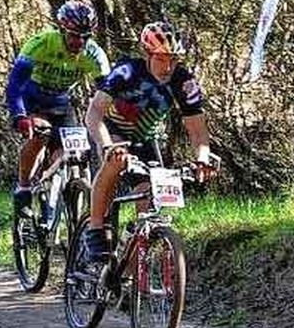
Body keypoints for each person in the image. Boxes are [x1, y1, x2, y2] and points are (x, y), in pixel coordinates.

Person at [77, 21, 217, 264]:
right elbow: (94, 113)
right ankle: (96, 227)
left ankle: (132, 275)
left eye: (174, 59)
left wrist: (203, 159)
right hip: (110, 130)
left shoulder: (183, 82)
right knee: (115, 162)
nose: (168, 67)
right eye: (162, 59)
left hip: (144, 138)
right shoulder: (127, 72)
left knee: (148, 199)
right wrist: (107, 144)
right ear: (148, 54)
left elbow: (197, 130)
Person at [4, 0, 109, 220]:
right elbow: (14, 84)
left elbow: (107, 92)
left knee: (69, 151)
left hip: (61, 103)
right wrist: (20, 115)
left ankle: (55, 192)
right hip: (32, 97)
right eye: (72, 35)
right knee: (41, 135)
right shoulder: (41, 43)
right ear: (61, 30)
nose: (78, 41)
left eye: (84, 36)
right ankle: (23, 188)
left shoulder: (94, 54)